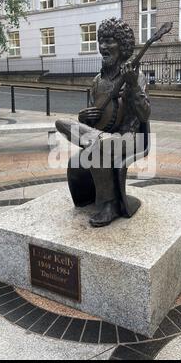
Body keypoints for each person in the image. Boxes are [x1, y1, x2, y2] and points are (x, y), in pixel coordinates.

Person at [56, 17, 151, 227]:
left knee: (96, 147)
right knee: (61, 123)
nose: (104, 46)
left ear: (123, 45)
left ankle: (110, 205)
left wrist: (134, 86)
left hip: (129, 136)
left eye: (110, 41)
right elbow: (96, 120)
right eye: (101, 41)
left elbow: (144, 115)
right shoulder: (97, 81)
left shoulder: (136, 76)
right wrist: (85, 118)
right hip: (101, 136)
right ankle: (96, 143)